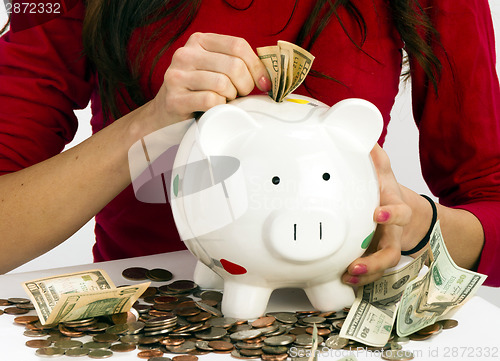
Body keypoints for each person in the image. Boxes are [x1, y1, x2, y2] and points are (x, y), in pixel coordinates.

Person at [0, 0, 498, 290]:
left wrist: (418, 223)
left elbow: (491, 202)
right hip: (146, 321)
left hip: (338, 308)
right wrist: (149, 123)